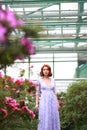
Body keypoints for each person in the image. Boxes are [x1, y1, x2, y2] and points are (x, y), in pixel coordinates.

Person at [35, 64, 60, 130]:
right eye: (44, 69)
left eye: (47, 69)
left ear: (49, 71)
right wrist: (36, 104)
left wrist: (57, 103)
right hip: (44, 101)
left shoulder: (53, 80)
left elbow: (55, 92)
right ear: (42, 71)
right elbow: (37, 93)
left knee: (53, 116)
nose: (45, 71)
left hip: (53, 101)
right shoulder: (39, 80)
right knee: (44, 117)